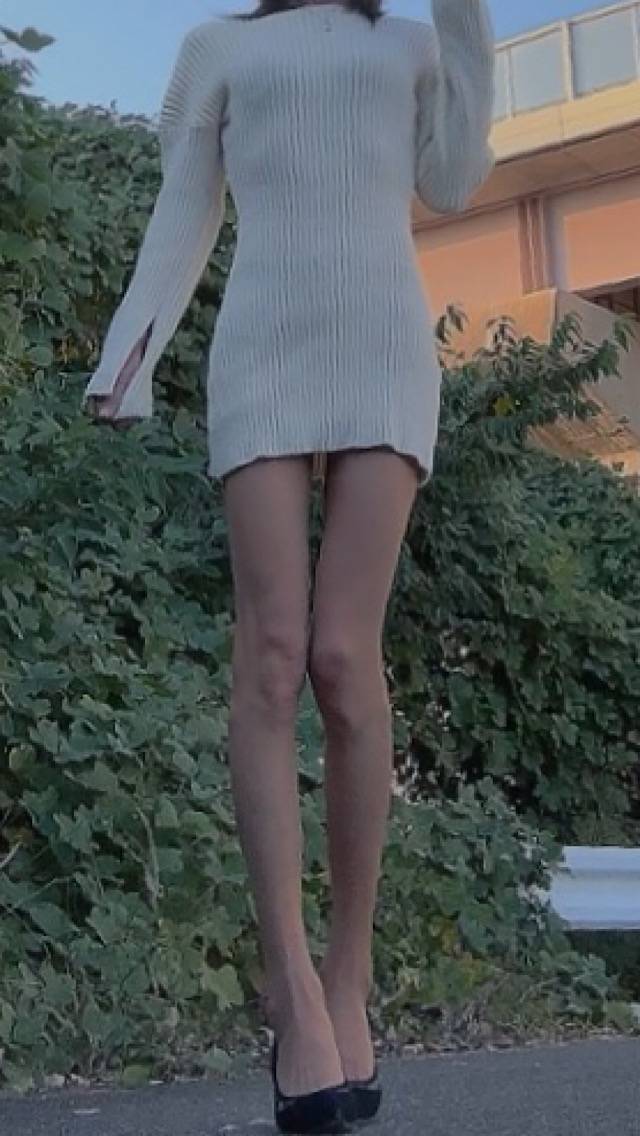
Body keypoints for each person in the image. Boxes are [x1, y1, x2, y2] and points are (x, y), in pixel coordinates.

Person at [83, 0, 495, 1130]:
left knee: (344, 661)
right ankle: (291, 987)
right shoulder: (222, 47)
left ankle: (349, 974)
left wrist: (463, 15)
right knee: (269, 657)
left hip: (384, 350)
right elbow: (185, 205)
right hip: (262, 349)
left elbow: (454, 182)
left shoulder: (409, 41)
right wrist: (132, 348)